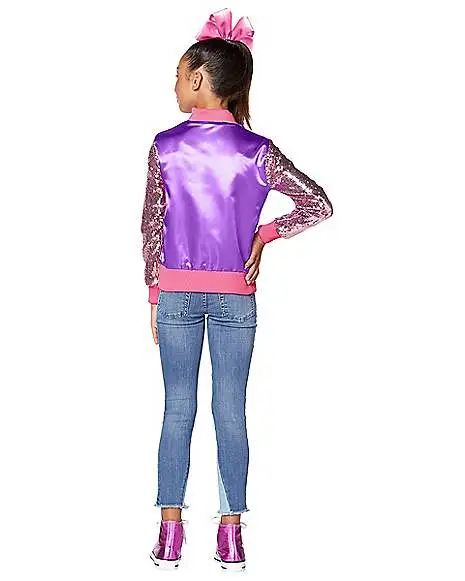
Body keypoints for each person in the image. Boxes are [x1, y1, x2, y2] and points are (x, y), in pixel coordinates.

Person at [141, 8, 333, 571]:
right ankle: (231, 534)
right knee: (230, 409)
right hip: (236, 297)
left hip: (176, 293)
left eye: (179, 74)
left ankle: (169, 534)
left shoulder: (165, 146)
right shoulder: (257, 150)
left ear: (199, 79)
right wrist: (265, 235)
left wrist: (154, 293)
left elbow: (152, 225)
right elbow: (317, 203)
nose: (174, 84)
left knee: (177, 409)